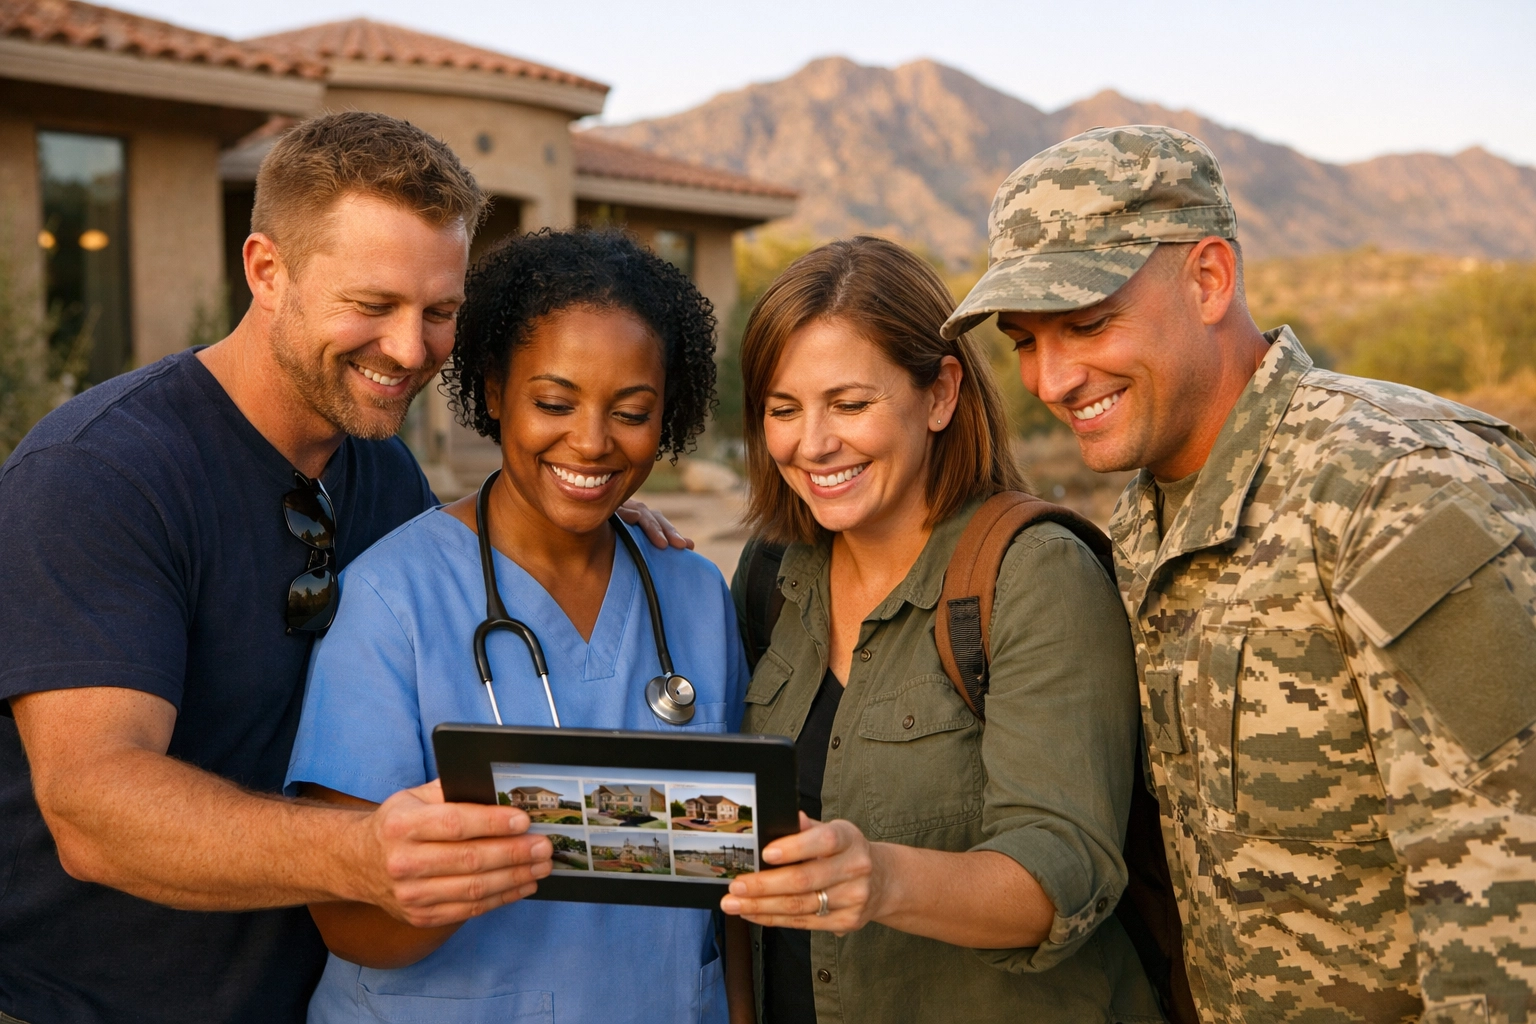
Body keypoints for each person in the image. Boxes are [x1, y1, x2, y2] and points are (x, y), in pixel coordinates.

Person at [0, 112, 685, 1024]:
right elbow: (92, 808)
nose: (410, 350)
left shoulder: (381, 469)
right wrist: (361, 852)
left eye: (440, 312)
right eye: (372, 305)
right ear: (266, 271)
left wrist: (583, 497)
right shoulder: (102, 474)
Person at [946, 124, 1536, 1022]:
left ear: (1210, 278)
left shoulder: (1397, 487)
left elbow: (1509, 871)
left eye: (1090, 322)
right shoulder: (1143, 519)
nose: (1053, 378)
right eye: (1026, 340)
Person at [283, 228, 752, 1023]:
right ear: (495, 391)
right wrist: (473, 867)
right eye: (554, 402)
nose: (593, 442)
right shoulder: (395, 600)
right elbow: (347, 918)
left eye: (631, 411)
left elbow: (733, 876)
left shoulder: (696, 594)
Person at [719, 236, 1163, 1023]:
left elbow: (1066, 869)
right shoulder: (771, 572)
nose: (811, 443)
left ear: (940, 394)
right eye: (783, 409)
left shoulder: (1036, 573)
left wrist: (878, 879)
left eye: (850, 404)